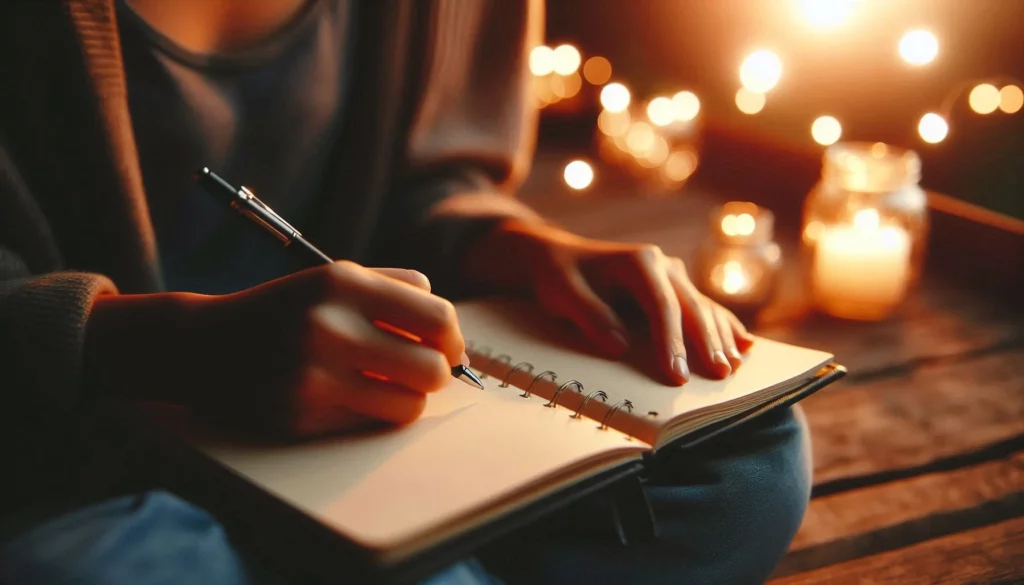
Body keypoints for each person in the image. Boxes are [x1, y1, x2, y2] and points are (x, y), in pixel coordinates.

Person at [0, 1, 812, 583]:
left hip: (377, 414)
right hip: (84, 438)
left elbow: (429, 181)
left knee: (751, 461)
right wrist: (165, 347)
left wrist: (518, 245)